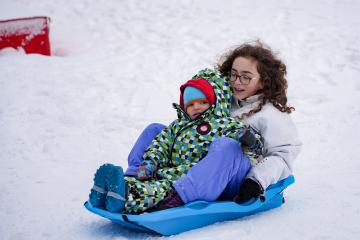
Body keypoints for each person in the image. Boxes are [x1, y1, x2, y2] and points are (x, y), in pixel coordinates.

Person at [124, 40, 302, 207]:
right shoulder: (222, 99)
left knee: (227, 146)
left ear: (264, 80)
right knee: (155, 130)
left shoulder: (271, 115)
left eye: (246, 77)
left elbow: (281, 156)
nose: (237, 82)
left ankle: (176, 196)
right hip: (197, 164)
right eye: (233, 75)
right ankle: (132, 180)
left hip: (235, 177)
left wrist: (255, 181)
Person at [88, 77, 263, 213]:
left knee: (158, 191)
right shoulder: (176, 127)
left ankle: (125, 197)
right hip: (173, 173)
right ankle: (117, 188)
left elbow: (251, 144)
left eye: (202, 102)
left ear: (212, 103)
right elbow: (160, 145)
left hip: (200, 179)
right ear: (184, 108)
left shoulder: (223, 123)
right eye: (191, 104)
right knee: (153, 138)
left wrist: (250, 140)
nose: (197, 107)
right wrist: (149, 162)